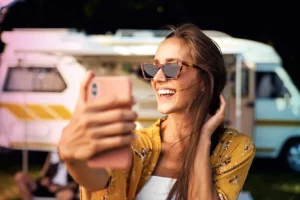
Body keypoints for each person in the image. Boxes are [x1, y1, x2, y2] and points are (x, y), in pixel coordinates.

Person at [57, 23, 256, 200]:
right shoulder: (136, 144)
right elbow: (99, 183)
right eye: (154, 68)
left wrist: (203, 139)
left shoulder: (234, 147)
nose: (158, 78)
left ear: (204, 80)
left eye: (171, 68)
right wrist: (74, 160)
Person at [15, 152, 79, 200]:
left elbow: (76, 184)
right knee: (20, 176)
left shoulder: (75, 166)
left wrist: (59, 187)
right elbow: (43, 174)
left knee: (68, 195)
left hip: (63, 189)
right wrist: (44, 180)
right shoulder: (54, 162)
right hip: (47, 187)